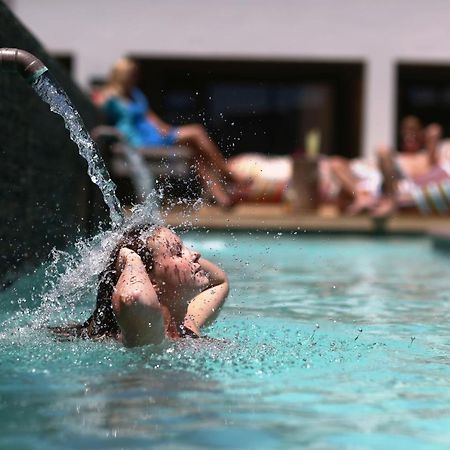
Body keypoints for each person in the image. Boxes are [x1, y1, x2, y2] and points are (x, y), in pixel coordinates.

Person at [98, 58, 247, 207]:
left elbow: (151, 118)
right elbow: (95, 109)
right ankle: (228, 175)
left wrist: (166, 130)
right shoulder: (110, 96)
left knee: (195, 150)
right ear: (122, 74)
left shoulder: (135, 94)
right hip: (136, 140)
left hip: (153, 135)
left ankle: (220, 196)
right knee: (196, 132)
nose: (137, 77)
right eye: (133, 74)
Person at [51, 225, 229, 346]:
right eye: (177, 252)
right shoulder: (148, 331)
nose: (195, 254)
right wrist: (130, 257)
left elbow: (219, 282)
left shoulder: (186, 325)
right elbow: (134, 298)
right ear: (150, 282)